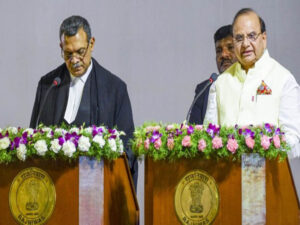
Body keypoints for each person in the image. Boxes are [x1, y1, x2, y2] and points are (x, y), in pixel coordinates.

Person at [30, 15, 138, 185]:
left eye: (80, 52)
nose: (74, 61)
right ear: (61, 47)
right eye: (68, 54)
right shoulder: (48, 85)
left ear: (92, 44)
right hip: (54, 190)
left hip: (97, 191)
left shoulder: (114, 89)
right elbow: (33, 141)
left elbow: (128, 150)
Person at [204, 8, 300, 158]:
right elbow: (208, 137)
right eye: (239, 38)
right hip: (226, 176)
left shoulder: (283, 79)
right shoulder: (220, 84)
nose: (245, 44)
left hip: (268, 176)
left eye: (252, 36)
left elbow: (294, 143)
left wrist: (260, 148)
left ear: (264, 38)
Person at [189, 25, 237, 124]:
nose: (223, 55)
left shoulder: (251, 85)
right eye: (219, 51)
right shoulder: (203, 89)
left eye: (230, 48)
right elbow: (193, 132)